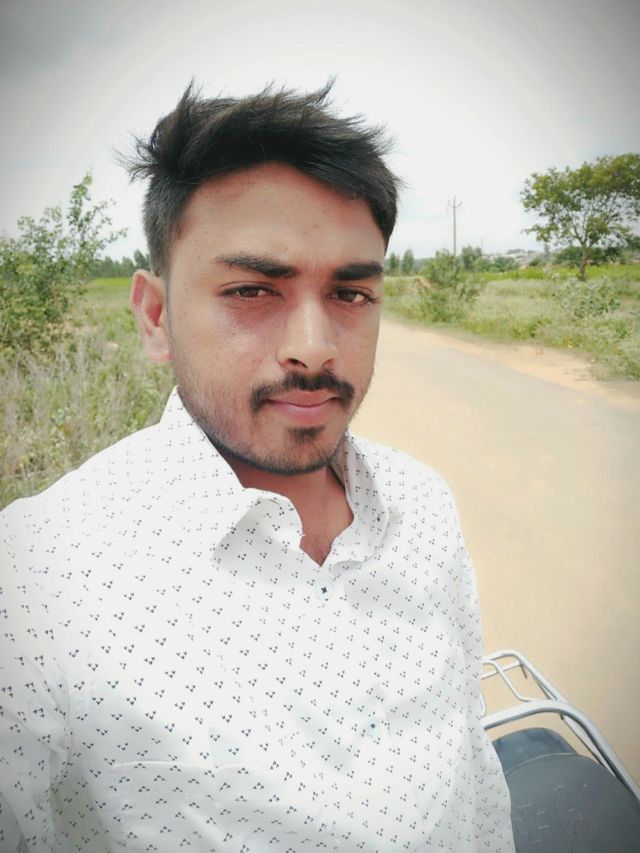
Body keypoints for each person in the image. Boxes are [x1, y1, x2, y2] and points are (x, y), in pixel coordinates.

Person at [0, 82, 514, 851]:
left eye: (350, 293)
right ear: (156, 316)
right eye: (251, 290)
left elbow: (474, 759)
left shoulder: (423, 505)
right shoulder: (36, 586)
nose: (314, 347)